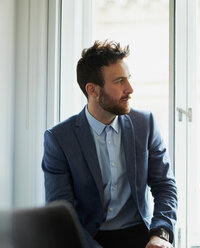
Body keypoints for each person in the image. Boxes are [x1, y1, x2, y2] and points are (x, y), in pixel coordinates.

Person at [42, 40, 177, 248]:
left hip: (141, 235)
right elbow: (61, 213)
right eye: (119, 81)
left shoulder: (145, 124)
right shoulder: (59, 139)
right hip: (87, 238)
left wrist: (161, 233)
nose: (130, 89)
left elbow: (165, 186)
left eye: (128, 79)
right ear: (92, 90)